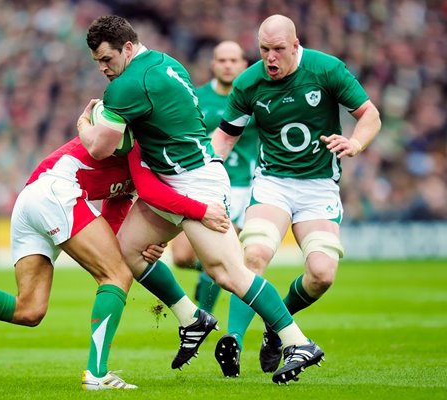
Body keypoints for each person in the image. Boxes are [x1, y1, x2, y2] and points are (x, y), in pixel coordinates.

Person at [78, 15, 325, 384]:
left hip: (194, 182)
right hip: (179, 176)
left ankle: (298, 342)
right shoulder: (166, 62)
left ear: (127, 48)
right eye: (97, 61)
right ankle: (192, 318)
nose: (102, 69)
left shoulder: (126, 86)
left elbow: (99, 149)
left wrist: (84, 123)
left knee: (227, 272)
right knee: (126, 251)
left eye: (106, 59)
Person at [0, 136, 229, 391]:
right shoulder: (139, 139)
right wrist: (197, 213)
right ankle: (98, 375)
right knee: (116, 276)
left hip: (35, 198)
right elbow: (136, 174)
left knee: (29, 309)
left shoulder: (146, 157)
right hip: (55, 191)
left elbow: (115, 218)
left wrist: (141, 244)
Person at [210, 14, 382, 378]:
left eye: (278, 50)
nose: (270, 58)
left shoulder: (326, 69)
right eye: (263, 50)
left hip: (318, 186)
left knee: (321, 274)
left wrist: (355, 142)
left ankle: (276, 326)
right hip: (273, 182)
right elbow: (224, 138)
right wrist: (206, 176)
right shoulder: (249, 83)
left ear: (295, 46)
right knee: (253, 254)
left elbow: (370, 115)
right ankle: (234, 341)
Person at [170, 40, 258, 316]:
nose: (228, 65)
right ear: (213, 65)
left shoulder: (255, 100)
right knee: (182, 258)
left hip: (240, 186)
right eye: (222, 60)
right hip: (200, 185)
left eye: (234, 60)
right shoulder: (196, 99)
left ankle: (202, 317)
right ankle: (208, 273)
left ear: (244, 65)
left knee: (218, 255)